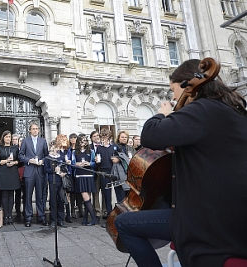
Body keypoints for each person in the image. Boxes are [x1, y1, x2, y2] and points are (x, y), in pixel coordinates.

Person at [114, 59, 247, 267]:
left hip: (205, 223)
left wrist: (163, 114)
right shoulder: (232, 111)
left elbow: (151, 135)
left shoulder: (203, 110)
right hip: (230, 218)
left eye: (174, 90)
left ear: (189, 86)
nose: (175, 97)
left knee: (123, 223)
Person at [19, 121, 49, 227]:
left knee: (40, 196)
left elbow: (47, 155)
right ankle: (28, 217)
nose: (35, 130)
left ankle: (41, 216)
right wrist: (29, 160)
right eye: (33, 129)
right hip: (29, 171)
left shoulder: (43, 141)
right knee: (28, 196)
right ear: (30, 130)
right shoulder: (25, 141)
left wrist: (43, 161)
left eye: (37, 129)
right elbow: (20, 155)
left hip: (40, 172)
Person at [96, 128, 124, 220]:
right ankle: (109, 216)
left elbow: (123, 157)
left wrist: (118, 159)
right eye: (102, 137)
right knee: (107, 195)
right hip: (104, 173)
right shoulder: (99, 148)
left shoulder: (115, 146)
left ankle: (121, 214)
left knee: (119, 194)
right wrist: (97, 161)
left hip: (115, 172)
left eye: (105, 136)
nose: (103, 139)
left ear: (109, 137)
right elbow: (98, 162)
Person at [0, 131, 20, 225]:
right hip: (3, 173)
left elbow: (19, 160)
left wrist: (14, 163)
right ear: (3, 138)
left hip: (12, 172)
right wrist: (6, 161)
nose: (8, 138)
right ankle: (5, 215)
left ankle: (10, 215)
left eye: (9, 137)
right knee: (4, 195)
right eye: (6, 137)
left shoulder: (15, 148)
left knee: (11, 194)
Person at [71, 134, 97, 226]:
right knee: (85, 198)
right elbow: (72, 163)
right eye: (81, 141)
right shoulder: (74, 152)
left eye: (85, 141)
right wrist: (77, 164)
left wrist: (88, 163)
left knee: (87, 199)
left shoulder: (91, 151)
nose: (83, 143)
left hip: (89, 175)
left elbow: (94, 163)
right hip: (80, 175)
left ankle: (86, 219)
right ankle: (93, 218)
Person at [45, 135, 70, 228]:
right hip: (53, 180)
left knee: (61, 200)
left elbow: (65, 167)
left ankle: (60, 219)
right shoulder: (48, 158)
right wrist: (53, 171)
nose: (54, 149)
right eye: (52, 147)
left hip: (61, 180)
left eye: (55, 147)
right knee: (53, 201)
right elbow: (45, 170)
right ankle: (53, 220)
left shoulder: (62, 157)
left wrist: (63, 172)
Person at [11, 133, 23, 222]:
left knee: (20, 194)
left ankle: (19, 212)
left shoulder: (23, 150)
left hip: (22, 174)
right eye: (13, 139)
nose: (14, 141)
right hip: (12, 173)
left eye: (16, 139)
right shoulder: (10, 149)